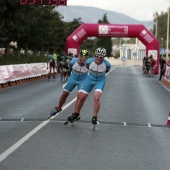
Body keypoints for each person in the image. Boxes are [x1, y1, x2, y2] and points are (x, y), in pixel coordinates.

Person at [66, 47, 111, 125]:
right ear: (94, 55)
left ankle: (94, 117)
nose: (98, 58)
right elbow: (86, 67)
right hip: (89, 80)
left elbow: (107, 70)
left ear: (103, 57)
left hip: (100, 81)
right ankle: (76, 114)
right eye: (97, 56)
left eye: (101, 57)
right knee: (81, 98)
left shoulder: (107, 64)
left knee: (96, 97)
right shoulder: (89, 61)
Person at [49, 49, 90, 117]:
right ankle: (59, 107)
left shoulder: (89, 64)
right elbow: (69, 68)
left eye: (85, 57)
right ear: (79, 56)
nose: (83, 58)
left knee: (80, 96)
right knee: (65, 94)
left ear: (87, 58)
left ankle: (76, 113)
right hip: (73, 78)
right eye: (82, 56)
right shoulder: (73, 62)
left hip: (83, 79)